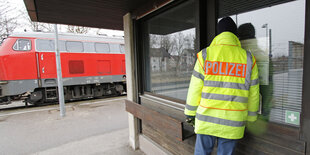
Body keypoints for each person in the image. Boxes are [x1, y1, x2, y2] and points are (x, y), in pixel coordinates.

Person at [184, 17, 259, 155]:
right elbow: (254, 93)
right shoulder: (248, 58)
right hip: (233, 122)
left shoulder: (205, 55)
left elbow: (194, 88)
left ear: (218, 34)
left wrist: (190, 113)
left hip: (206, 118)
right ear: (235, 35)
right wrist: (251, 117)